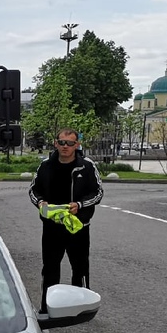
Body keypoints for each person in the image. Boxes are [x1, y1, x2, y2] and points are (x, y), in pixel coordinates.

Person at [28, 128, 103, 314]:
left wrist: (80, 204)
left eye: (70, 143)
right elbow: (33, 190)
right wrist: (41, 202)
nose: (65, 147)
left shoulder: (86, 166)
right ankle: (47, 308)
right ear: (55, 143)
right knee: (50, 268)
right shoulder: (46, 165)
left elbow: (98, 193)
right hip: (52, 227)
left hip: (77, 227)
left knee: (80, 268)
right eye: (61, 142)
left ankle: (81, 308)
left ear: (77, 145)